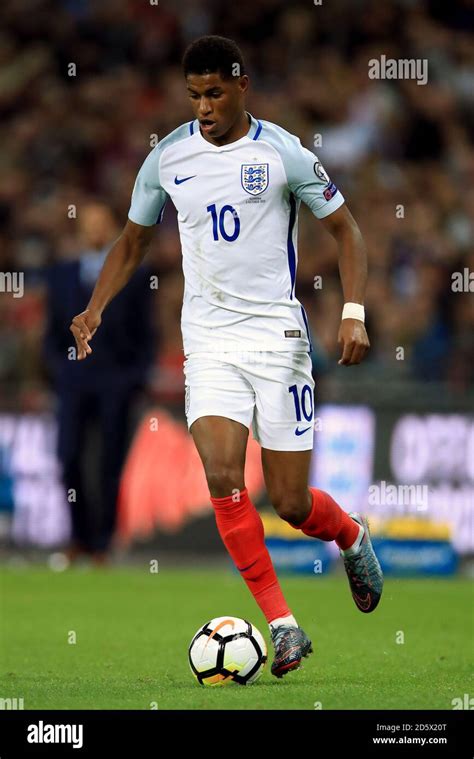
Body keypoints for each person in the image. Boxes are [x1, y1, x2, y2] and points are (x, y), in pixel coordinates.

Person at [69, 36, 383, 678]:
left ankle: (350, 534)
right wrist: (95, 306)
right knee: (222, 476)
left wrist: (353, 311)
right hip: (208, 341)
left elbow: (347, 230)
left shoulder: (283, 153)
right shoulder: (167, 157)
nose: (203, 107)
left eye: (214, 93)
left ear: (242, 86)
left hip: (277, 340)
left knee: (292, 503)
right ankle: (285, 626)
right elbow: (131, 242)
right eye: (194, 95)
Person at [44, 202, 155, 565]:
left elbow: (146, 334)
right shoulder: (60, 274)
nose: (93, 230)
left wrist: (133, 379)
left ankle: (104, 544)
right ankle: (79, 538)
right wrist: (60, 372)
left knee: (110, 463)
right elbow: (50, 334)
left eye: (100, 223)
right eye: (87, 223)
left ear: (111, 228)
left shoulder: (134, 276)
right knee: (68, 456)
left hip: (115, 383)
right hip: (74, 381)